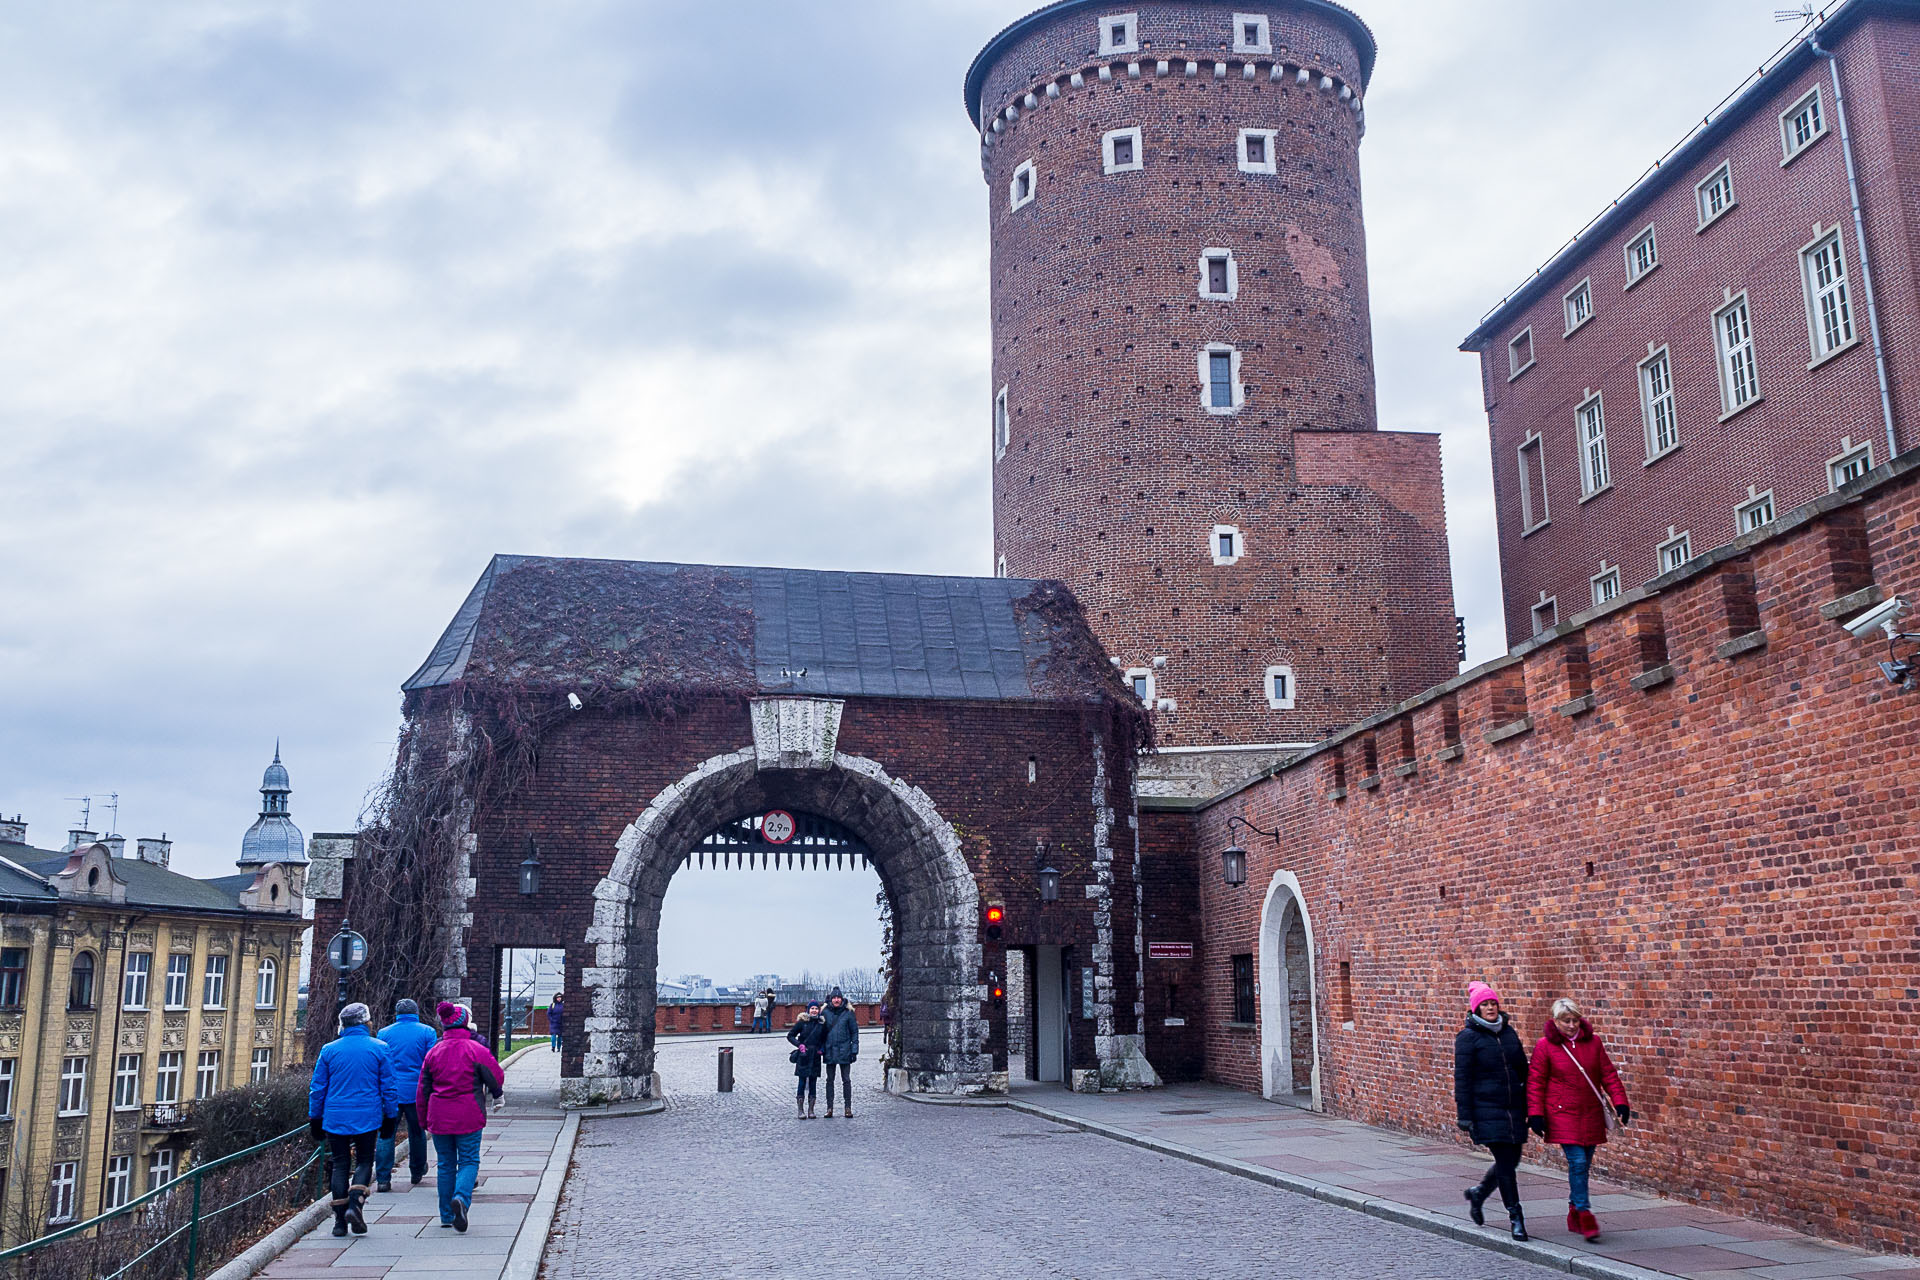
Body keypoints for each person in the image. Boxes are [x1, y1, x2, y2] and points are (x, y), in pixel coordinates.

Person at [1528, 997, 1631, 1242]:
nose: (1572, 1025)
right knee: (1577, 1162)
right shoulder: (1545, 1046)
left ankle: (1574, 1211)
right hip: (1562, 1112)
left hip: (1591, 1112)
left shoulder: (1593, 1043)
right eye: (1566, 1021)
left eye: (1575, 1020)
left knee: (1585, 1162)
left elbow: (1608, 1073)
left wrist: (1620, 1101)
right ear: (1556, 1022)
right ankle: (1585, 1214)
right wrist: (1535, 1113)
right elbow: (1536, 1082)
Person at [308, 1001, 399, 1238]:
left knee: (339, 1164)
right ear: (367, 1023)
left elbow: (317, 1088)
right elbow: (389, 1087)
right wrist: (391, 1116)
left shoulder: (329, 1050)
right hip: (367, 1115)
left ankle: (339, 1223)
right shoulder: (380, 1048)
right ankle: (355, 1205)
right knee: (365, 1160)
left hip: (335, 1115)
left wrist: (314, 1118)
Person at [416, 1001, 505, 1233]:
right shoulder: (476, 1050)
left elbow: (423, 1089)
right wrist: (497, 1094)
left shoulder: (433, 1052)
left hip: (439, 1114)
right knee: (468, 1160)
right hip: (469, 1113)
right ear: (465, 1022)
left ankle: (446, 1214)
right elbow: (495, 1075)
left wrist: (423, 1119)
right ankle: (462, 1199)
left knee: (445, 1164)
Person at [1453, 981, 1532, 1242]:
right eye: (1485, 1004)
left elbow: (1523, 1069)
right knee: (1507, 1164)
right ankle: (1516, 1217)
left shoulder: (1508, 1033)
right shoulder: (1468, 1038)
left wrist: (1531, 1102)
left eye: (1493, 1003)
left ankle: (1479, 1193)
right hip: (1486, 1109)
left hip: (1513, 1108)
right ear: (1476, 1009)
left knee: (1511, 1161)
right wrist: (1465, 1116)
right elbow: (1462, 1078)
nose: (1490, 1008)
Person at [374, 998, 438, 1192]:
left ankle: (383, 1178)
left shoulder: (384, 1033)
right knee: (417, 1133)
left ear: (397, 1013)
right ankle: (417, 1170)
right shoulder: (427, 1032)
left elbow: (381, 1065)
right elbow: (430, 1063)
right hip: (416, 1092)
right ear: (416, 1012)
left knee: (386, 1135)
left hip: (390, 1092)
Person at [820, 986, 861, 1118]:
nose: (836, 1000)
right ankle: (829, 1107)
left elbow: (854, 1032)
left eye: (838, 998)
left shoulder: (849, 1013)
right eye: (834, 998)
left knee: (846, 1080)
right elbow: (820, 1032)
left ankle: (847, 1107)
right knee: (829, 1080)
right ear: (831, 999)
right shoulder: (824, 1013)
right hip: (830, 1050)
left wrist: (854, 1050)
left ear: (841, 999)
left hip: (844, 1050)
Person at [787, 1001, 827, 1119]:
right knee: (802, 1082)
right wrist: (799, 1045)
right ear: (808, 1010)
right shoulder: (802, 1022)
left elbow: (824, 1039)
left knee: (813, 1082)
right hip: (803, 1055)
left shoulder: (821, 1023)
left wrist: (822, 1049)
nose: (814, 1010)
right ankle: (800, 1110)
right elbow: (790, 1035)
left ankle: (811, 1110)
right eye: (812, 1008)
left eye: (816, 1008)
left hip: (815, 1056)